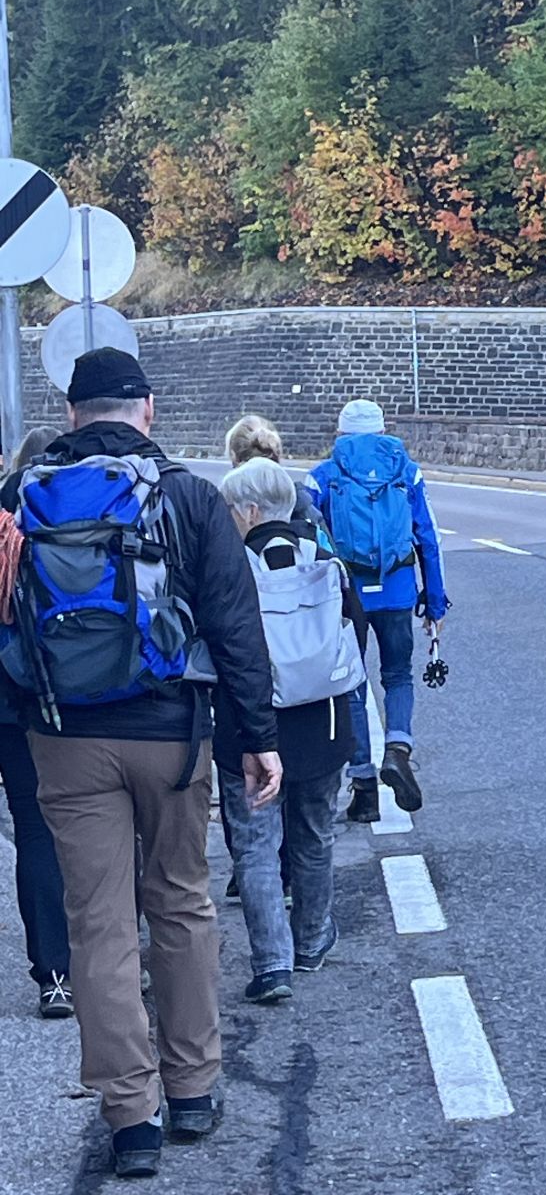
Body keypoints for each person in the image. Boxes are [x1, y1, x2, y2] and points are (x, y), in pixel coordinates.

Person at [0, 349, 281, 1180]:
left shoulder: (18, 499)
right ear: (147, 411)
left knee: (99, 924)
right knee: (182, 904)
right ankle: (193, 1087)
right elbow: (235, 626)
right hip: (172, 738)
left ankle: (131, 1117)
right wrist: (256, 736)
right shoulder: (190, 497)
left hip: (62, 737)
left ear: (72, 412)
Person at [216, 458, 356, 1004]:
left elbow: (215, 651)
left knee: (255, 846)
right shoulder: (324, 556)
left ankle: (272, 964)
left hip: (251, 728)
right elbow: (354, 632)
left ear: (250, 511)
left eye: (231, 509)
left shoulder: (229, 567)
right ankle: (313, 940)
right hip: (322, 722)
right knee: (314, 836)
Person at [306, 400, 449, 822]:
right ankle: (399, 748)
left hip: (349, 596)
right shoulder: (407, 471)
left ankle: (364, 788)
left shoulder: (323, 476)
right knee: (399, 675)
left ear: (342, 433)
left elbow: (312, 541)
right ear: (383, 429)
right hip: (398, 591)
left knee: (351, 683)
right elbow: (427, 536)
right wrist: (434, 600)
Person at [0, 425, 72, 1019]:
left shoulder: (4, 511)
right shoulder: (66, 518)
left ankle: (54, 973)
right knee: (53, 828)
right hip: (44, 697)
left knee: (32, 830)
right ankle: (71, 968)